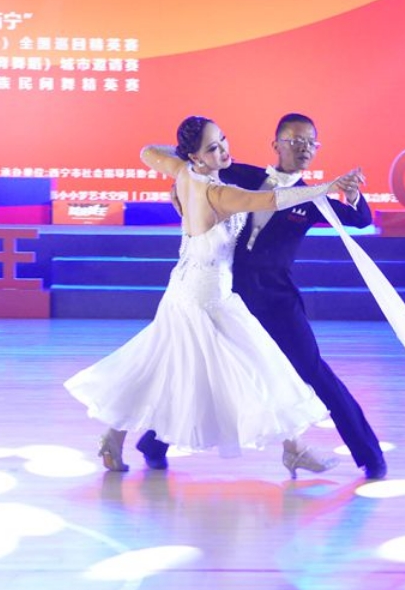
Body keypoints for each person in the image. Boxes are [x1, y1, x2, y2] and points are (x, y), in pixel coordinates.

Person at [65, 115, 364, 478]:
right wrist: (325, 187)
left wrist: (184, 160)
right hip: (209, 298)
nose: (223, 150)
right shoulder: (218, 193)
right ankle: (294, 449)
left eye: (223, 140)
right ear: (197, 156)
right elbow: (272, 199)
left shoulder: (184, 172)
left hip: (184, 288)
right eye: (212, 147)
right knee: (258, 363)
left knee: (161, 366)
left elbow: (147, 152)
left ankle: (114, 437)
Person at [136, 113, 388, 480]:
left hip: (276, 301)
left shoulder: (312, 199)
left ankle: (369, 454)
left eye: (311, 143)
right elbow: (185, 166)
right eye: (295, 141)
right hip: (229, 296)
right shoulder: (241, 174)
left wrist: (352, 194)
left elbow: (360, 220)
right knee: (203, 373)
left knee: (315, 372)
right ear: (277, 145)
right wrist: (183, 173)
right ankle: (154, 443)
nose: (304, 149)